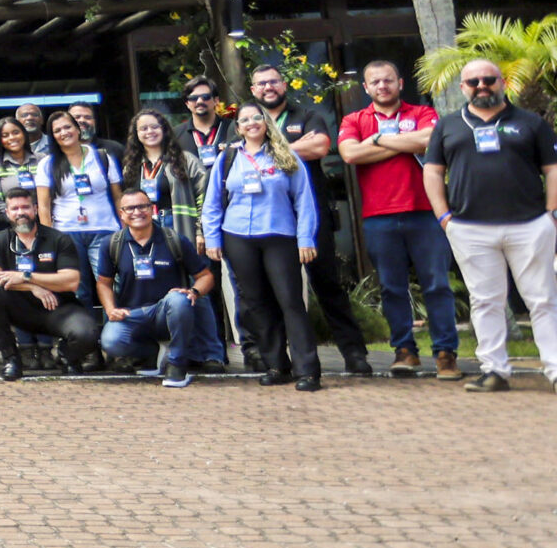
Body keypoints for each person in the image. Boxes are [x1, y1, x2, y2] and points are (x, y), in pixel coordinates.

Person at [424, 58, 557, 396]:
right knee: (484, 302)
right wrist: (444, 217)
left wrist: (552, 215)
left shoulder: (530, 122)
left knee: (542, 300)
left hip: (529, 226)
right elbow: (433, 171)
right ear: (462, 88)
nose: (482, 86)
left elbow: (555, 169)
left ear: (502, 82)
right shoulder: (448, 125)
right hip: (469, 228)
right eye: (473, 82)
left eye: (489, 79)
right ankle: (494, 370)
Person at [338, 60, 459, 380]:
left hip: (424, 213)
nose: (382, 86)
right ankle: (405, 352)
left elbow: (429, 141)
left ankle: (446, 353)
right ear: (366, 88)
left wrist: (376, 141)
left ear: (400, 83)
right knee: (392, 289)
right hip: (379, 217)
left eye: (388, 80)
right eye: (375, 82)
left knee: (437, 285)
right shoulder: (354, 119)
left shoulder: (420, 113)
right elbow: (349, 155)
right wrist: (401, 145)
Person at [248, 64, 372, 375]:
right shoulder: (247, 120)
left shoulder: (307, 115)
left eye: (273, 81)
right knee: (273, 292)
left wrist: (270, 151)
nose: (268, 87)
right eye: (261, 83)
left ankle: (354, 354)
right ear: (253, 90)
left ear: (284, 84)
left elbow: (320, 145)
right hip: (270, 223)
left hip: (312, 216)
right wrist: (293, 150)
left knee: (327, 284)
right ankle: (278, 361)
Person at [201, 104, 322, 390]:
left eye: (257, 117)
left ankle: (307, 370)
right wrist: (213, 239)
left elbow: (304, 200)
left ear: (266, 123)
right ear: (238, 128)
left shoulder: (286, 156)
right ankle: (277, 365)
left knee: (290, 301)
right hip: (238, 236)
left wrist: (306, 238)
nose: (252, 122)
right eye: (245, 120)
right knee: (256, 303)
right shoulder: (228, 158)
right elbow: (213, 203)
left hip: (279, 236)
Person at [96, 188, 220, 386]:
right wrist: (111, 310)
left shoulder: (174, 240)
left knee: (179, 300)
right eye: (130, 208)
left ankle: (177, 363)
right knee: (110, 341)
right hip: (133, 314)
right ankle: (151, 353)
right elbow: (104, 283)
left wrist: (194, 291)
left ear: (151, 209)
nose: (137, 212)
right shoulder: (111, 244)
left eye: (142, 206)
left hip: (167, 310)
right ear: (121, 214)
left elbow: (205, 276)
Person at [0, 187, 96, 379]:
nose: (20, 212)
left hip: (58, 308)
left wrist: (26, 277)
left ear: (35, 209)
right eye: (14, 209)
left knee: (87, 334)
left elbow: (71, 281)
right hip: (19, 309)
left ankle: (67, 356)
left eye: (25, 207)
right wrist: (32, 287)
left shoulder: (58, 239)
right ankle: (11, 359)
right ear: (7, 213)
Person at [36, 107, 122, 263]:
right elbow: (43, 206)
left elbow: (118, 197)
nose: (64, 132)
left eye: (67, 127)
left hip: (104, 228)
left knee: (110, 281)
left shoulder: (102, 157)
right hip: (67, 231)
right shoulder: (47, 164)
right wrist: (49, 238)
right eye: (57, 130)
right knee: (77, 284)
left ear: (77, 129)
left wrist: (125, 227)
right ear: (53, 136)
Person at [122, 109, 207, 246]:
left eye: (155, 127)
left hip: (178, 226)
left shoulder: (185, 160)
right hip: (144, 226)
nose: (150, 131)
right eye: (144, 128)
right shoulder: (131, 166)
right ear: (136, 134)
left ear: (164, 130)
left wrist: (200, 232)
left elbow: (205, 197)